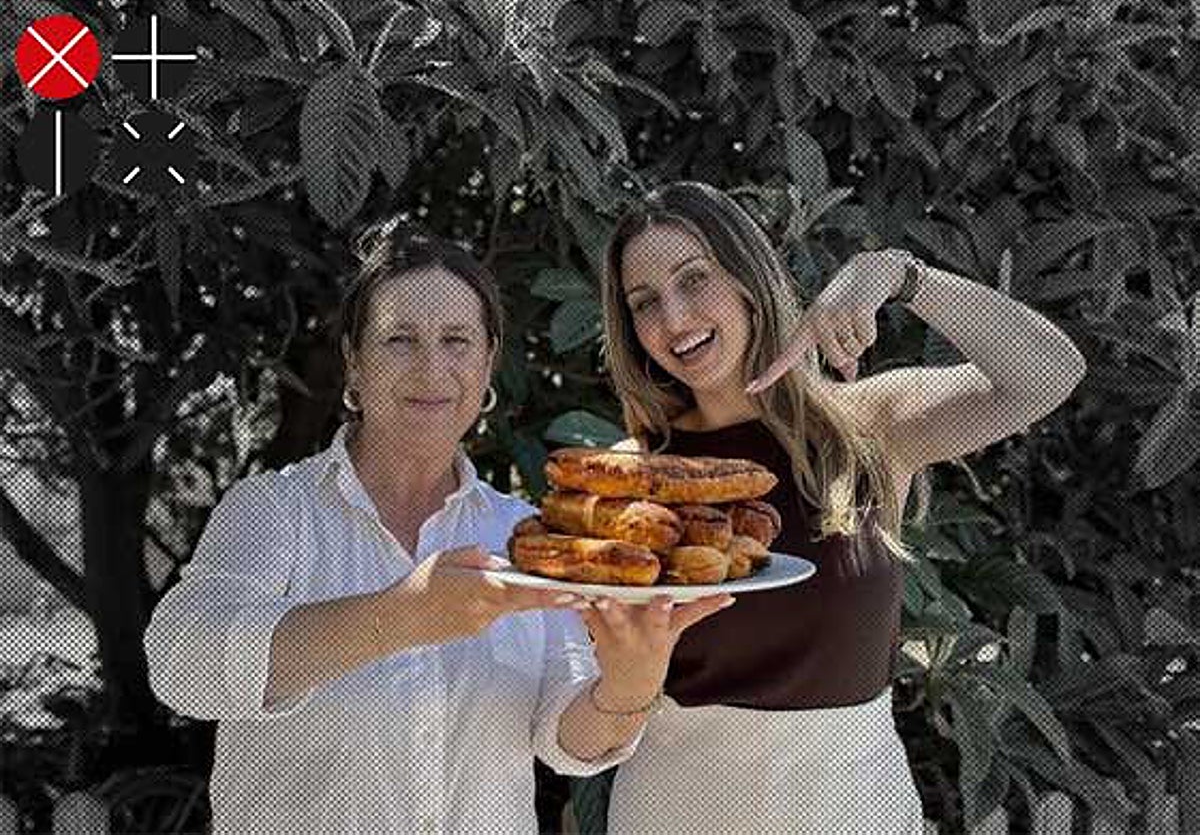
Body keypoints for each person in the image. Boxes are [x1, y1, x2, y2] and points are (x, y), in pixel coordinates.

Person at [143, 223, 732, 834]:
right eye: (400, 339)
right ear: (354, 363)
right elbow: (181, 668)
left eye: (457, 340)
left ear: (487, 367)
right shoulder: (273, 510)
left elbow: (567, 738)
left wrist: (629, 685)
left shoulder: (523, 534)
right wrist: (402, 615)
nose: (432, 368)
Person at [592, 181, 1087, 834]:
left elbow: (1048, 373)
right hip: (679, 809)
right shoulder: (629, 476)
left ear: (748, 277)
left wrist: (898, 276)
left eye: (695, 279)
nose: (675, 320)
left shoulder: (866, 429)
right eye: (644, 303)